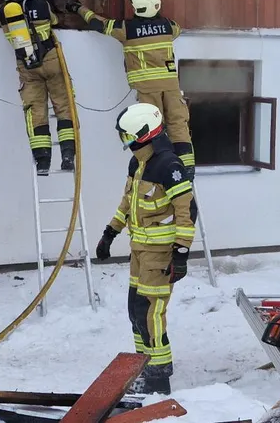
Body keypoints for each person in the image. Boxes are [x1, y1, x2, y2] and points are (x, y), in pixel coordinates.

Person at [93, 103, 196, 395]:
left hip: (161, 253)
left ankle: (158, 378)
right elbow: (128, 203)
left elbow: (186, 210)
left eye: (125, 136)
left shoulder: (168, 165)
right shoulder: (138, 163)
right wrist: (109, 233)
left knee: (151, 313)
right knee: (135, 310)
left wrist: (182, 253)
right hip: (139, 250)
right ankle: (144, 363)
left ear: (142, 134)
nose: (123, 142)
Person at [67, 0, 195, 172]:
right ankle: (187, 169)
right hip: (171, 86)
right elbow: (176, 30)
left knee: (151, 128)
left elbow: (98, 23)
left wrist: (78, 8)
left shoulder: (126, 29)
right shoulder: (170, 26)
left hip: (147, 88)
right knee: (178, 125)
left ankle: (158, 168)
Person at [0, 0, 76, 175]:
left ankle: (42, 161)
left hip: (27, 67)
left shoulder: (2, 10)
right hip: (51, 61)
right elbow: (54, 21)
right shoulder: (42, 4)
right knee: (64, 107)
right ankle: (67, 155)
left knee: (35, 112)